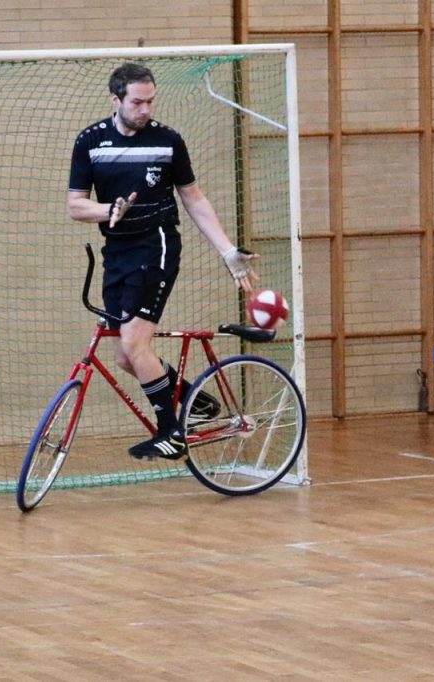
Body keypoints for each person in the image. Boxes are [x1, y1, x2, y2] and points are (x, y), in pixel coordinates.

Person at [67, 62, 259, 461]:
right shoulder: (90, 141)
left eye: (150, 101)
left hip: (156, 247)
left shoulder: (169, 140)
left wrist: (227, 251)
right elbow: (75, 206)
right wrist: (107, 210)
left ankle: (171, 433)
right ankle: (194, 401)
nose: (145, 110)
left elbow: (193, 198)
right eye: (137, 102)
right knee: (124, 355)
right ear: (115, 100)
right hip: (116, 253)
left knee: (136, 344)